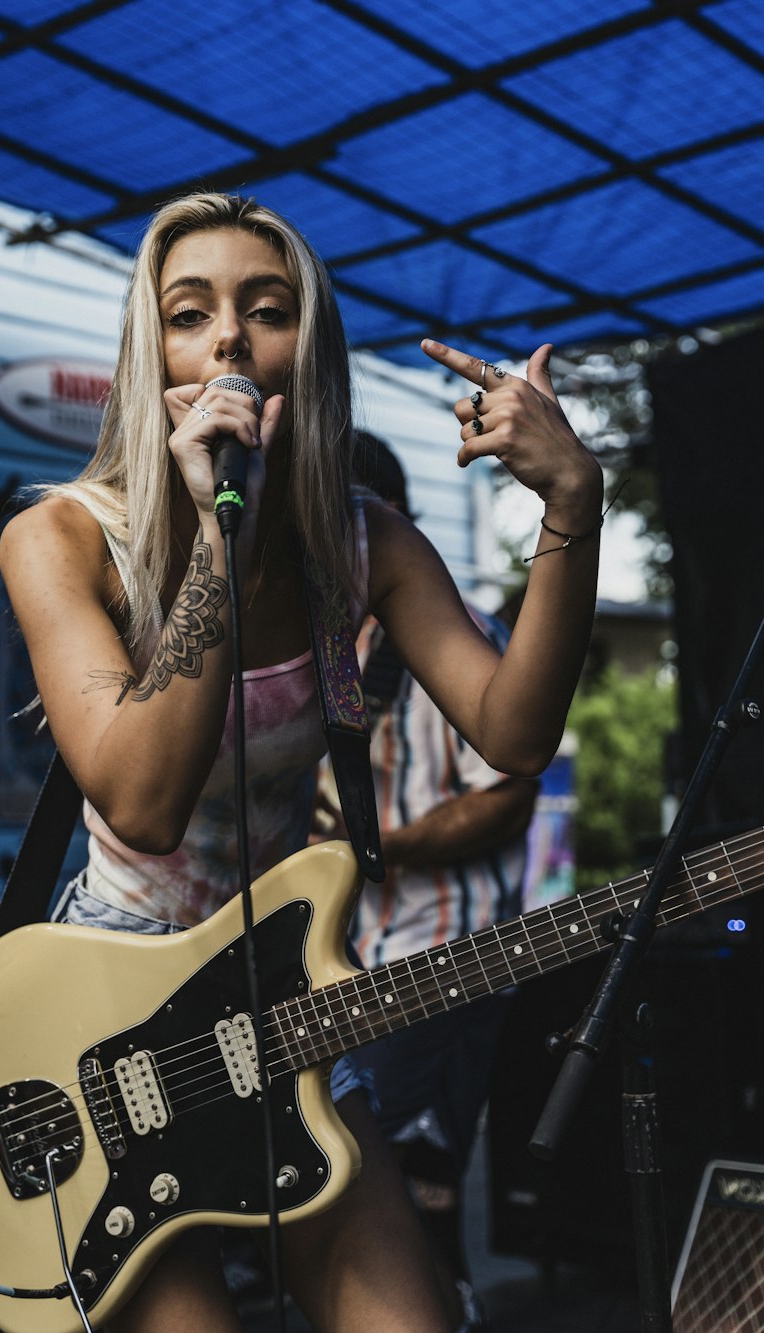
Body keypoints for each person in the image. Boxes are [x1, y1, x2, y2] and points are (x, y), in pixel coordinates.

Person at [0, 191, 603, 1333]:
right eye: (191, 312)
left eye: (264, 310)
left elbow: (514, 733)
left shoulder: (361, 541)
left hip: (288, 997)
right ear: (152, 348)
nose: (228, 335)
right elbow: (141, 798)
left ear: (305, 352)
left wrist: (572, 502)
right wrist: (221, 527)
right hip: (112, 1028)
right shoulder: (62, 538)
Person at [334, 432, 539, 1329]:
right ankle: (451, 1301)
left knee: (376, 1169)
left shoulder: (448, 628)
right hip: (365, 953)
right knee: (415, 1177)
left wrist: (379, 849)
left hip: (449, 952)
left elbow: (508, 797)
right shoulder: (334, 644)